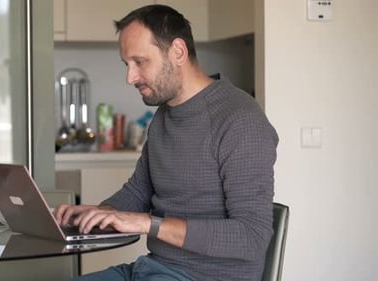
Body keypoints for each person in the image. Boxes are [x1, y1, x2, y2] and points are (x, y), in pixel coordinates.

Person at [54, 4, 279, 281]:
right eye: (127, 64)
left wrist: (149, 223)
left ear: (178, 52)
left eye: (140, 62)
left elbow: (251, 237)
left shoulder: (240, 120)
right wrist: (101, 213)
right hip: (150, 269)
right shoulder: (165, 115)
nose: (130, 77)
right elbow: (138, 192)